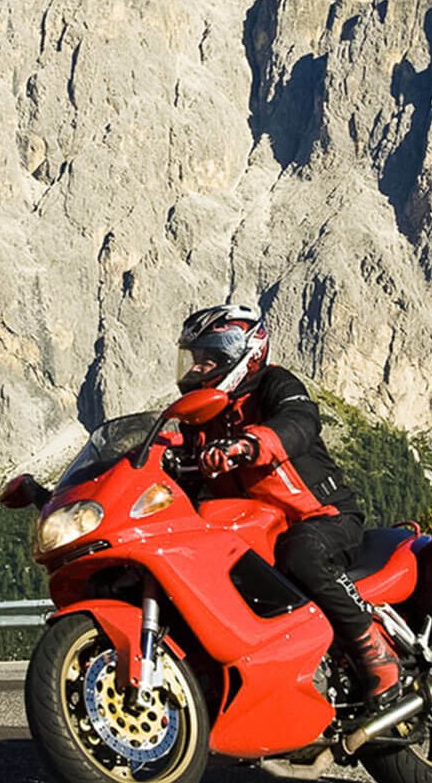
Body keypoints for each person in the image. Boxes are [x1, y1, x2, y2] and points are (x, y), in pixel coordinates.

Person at [172, 303, 402, 707]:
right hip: (254, 532)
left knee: (301, 552)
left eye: (210, 356)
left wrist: (250, 443)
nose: (197, 368)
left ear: (245, 351)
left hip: (324, 517)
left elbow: (299, 423)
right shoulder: (201, 420)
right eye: (194, 358)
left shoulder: (275, 385)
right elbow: (175, 469)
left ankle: (374, 650)